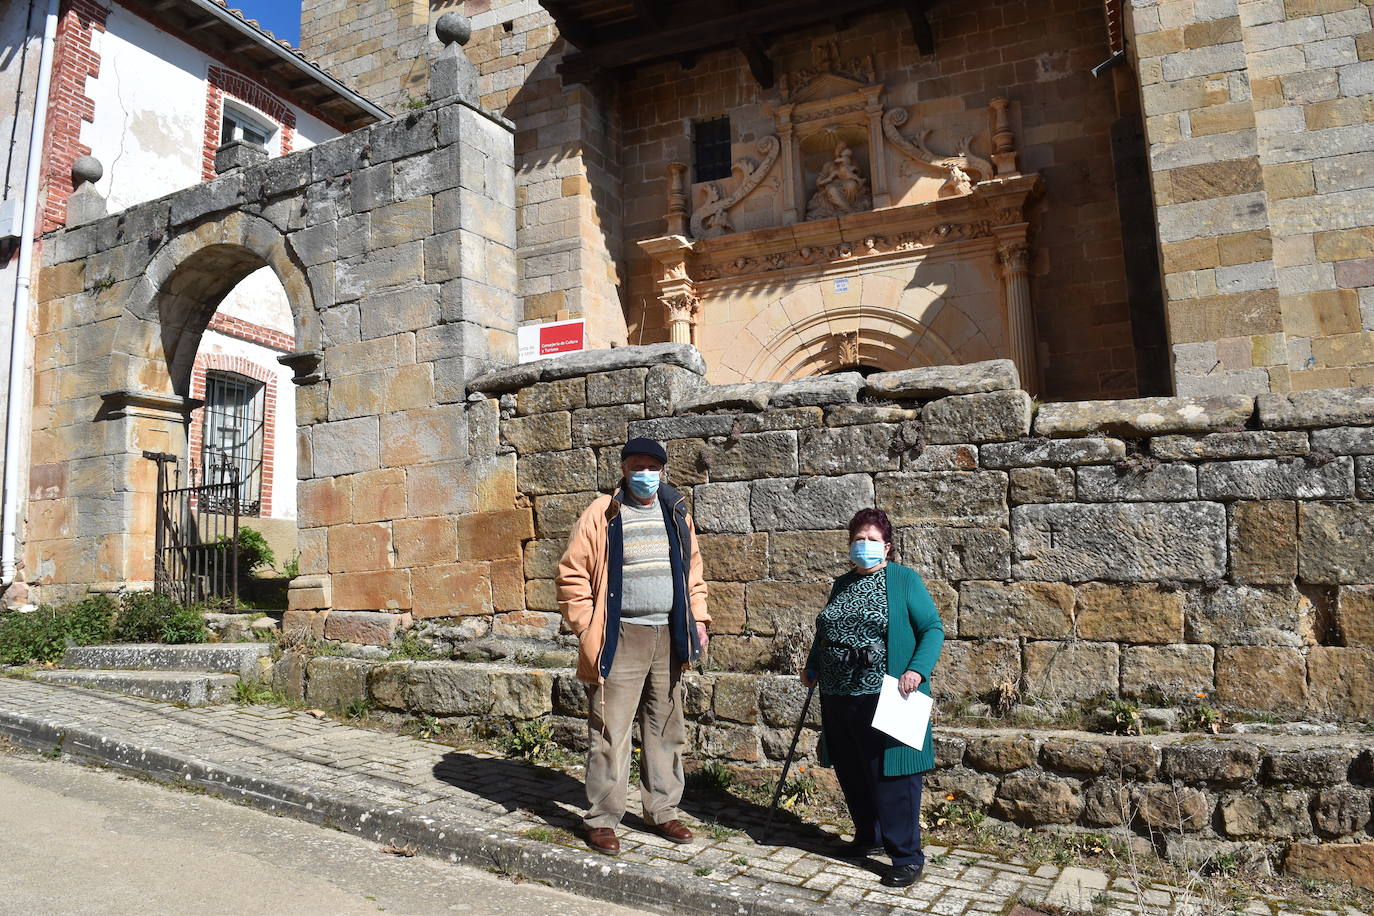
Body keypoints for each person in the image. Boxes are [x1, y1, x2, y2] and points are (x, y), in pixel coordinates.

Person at [556, 437, 710, 856]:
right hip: (620, 636)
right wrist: (587, 629)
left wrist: (698, 619)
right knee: (610, 732)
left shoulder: (676, 512)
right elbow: (571, 574)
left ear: (663, 471)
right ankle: (603, 819)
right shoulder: (602, 512)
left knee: (665, 728)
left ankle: (662, 810)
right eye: (637, 466)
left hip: (669, 636)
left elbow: (693, 573)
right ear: (624, 469)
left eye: (652, 467)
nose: (645, 474)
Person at [802, 507, 945, 888]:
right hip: (838, 693)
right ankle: (870, 836)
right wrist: (813, 664)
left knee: (892, 776)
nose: (863, 545)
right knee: (852, 770)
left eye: (871, 539)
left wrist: (916, 670)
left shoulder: (903, 580)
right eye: (858, 539)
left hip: (889, 693)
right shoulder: (842, 584)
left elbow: (932, 628)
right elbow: (825, 630)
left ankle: (907, 856)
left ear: (887, 546)